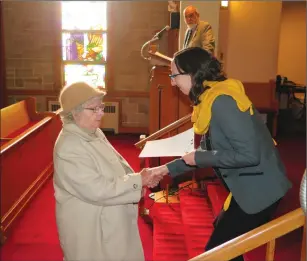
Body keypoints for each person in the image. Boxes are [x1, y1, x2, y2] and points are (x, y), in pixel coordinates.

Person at [149, 47, 292, 261]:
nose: (172, 82)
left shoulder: (222, 102)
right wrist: (163, 169)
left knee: (218, 254)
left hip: (260, 191)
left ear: (192, 73)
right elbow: (208, 150)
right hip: (248, 187)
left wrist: (201, 158)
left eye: (174, 75)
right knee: (225, 247)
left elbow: (249, 155)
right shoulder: (211, 98)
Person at [53, 82, 160, 261]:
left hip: (110, 218)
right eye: (94, 109)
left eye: (101, 107)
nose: (101, 113)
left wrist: (142, 181)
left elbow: (119, 164)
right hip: (91, 227)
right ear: (74, 112)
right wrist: (137, 181)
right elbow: (97, 190)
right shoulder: (68, 147)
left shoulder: (93, 132)